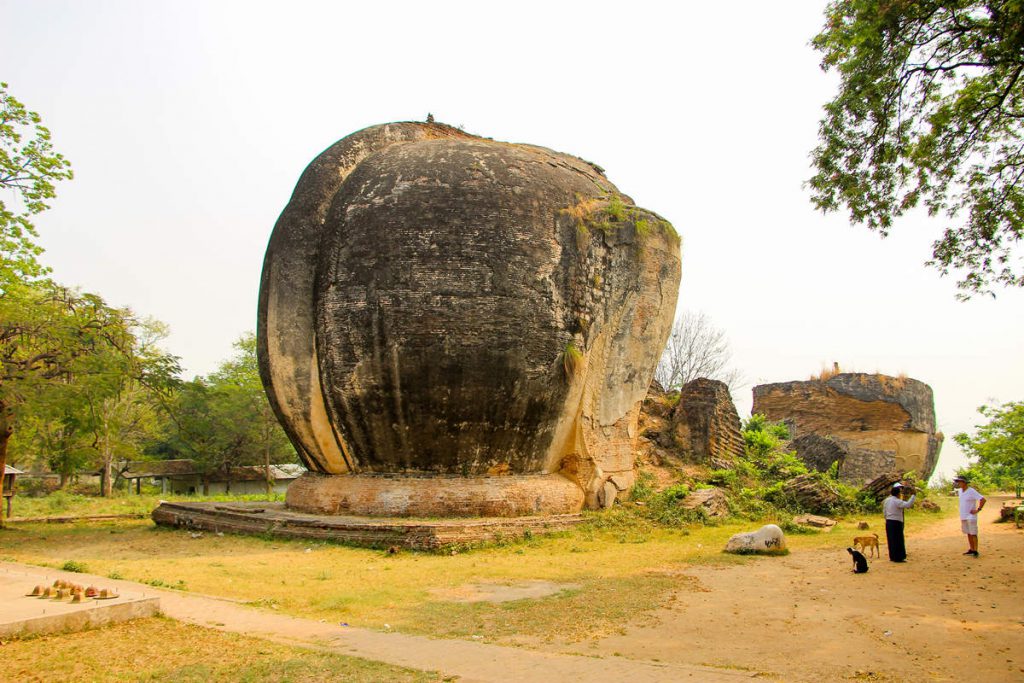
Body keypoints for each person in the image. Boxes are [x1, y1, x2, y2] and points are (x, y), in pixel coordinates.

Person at [953, 475, 986, 557]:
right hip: (963, 515)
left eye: (960, 482)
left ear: (964, 482)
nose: (958, 483)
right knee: (968, 532)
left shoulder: (971, 491)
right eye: (958, 482)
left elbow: (983, 499)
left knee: (973, 532)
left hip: (971, 515)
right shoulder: (960, 491)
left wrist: (978, 509)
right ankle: (971, 548)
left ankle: (976, 550)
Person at [882, 483, 916, 562]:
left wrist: (886, 518)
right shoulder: (897, 501)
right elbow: (908, 505)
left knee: (891, 539)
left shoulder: (887, 500)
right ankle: (899, 557)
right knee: (898, 540)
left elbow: (884, 511)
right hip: (896, 521)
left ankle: (892, 556)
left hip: (888, 521)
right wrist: (913, 496)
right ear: (898, 493)